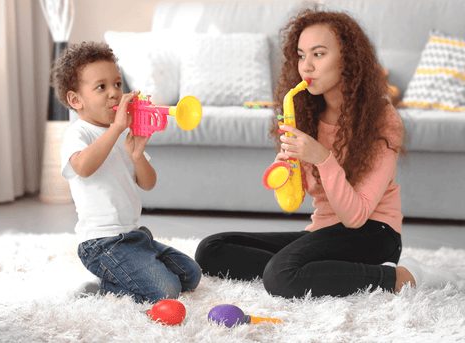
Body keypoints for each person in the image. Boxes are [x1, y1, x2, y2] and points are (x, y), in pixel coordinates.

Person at [195, 5, 463, 298]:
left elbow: (356, 216)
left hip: (373, 233)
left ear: (347, 59)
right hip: (323, 232)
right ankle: (318, 271)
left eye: (318, 54)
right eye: (301, 55)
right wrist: (287, 170)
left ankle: (401, 277)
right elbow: (295, 201)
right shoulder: (306, 114)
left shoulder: (382, 119)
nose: (306, 66)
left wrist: (322, 157)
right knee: (212, 250)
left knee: (280, 275)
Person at [55, 42, 201, 303]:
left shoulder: (123, 133)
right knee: (166, 291)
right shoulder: (79, 133)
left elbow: (148, 183)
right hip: (100, 244)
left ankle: (117, 276)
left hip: (134, 236)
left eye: (118, 84)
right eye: (101, 87)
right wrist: (115, 129)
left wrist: (136, 155)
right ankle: (104, 287)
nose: (114, 93)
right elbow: (82, 167)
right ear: (76, 100)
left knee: (191, 275)